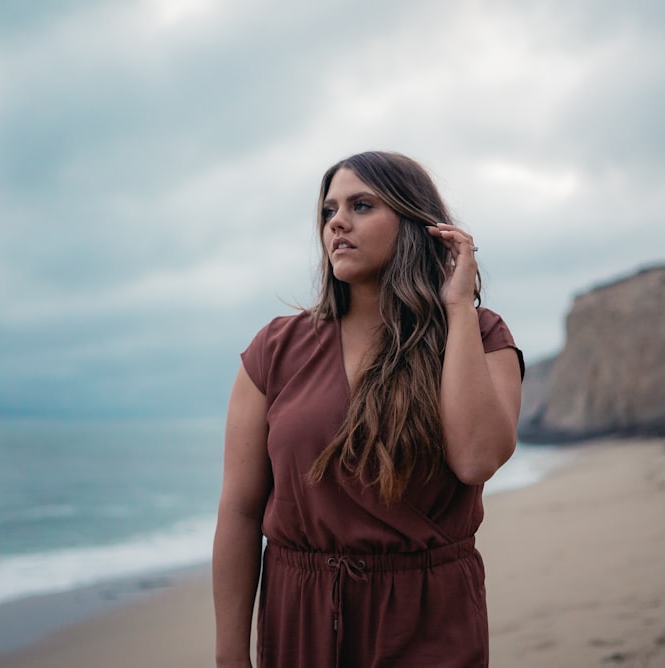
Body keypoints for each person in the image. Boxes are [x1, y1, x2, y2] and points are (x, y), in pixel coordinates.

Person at [212, 150, 524, 667]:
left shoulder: (480, 335)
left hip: (428, 612)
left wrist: (457, 308)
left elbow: (476, 458)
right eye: (328, 211)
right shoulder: (275, 349)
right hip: (299, 612)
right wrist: (229, 658)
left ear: (415, 222)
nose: (338, 223)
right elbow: (240, 511)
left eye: (361, 205)